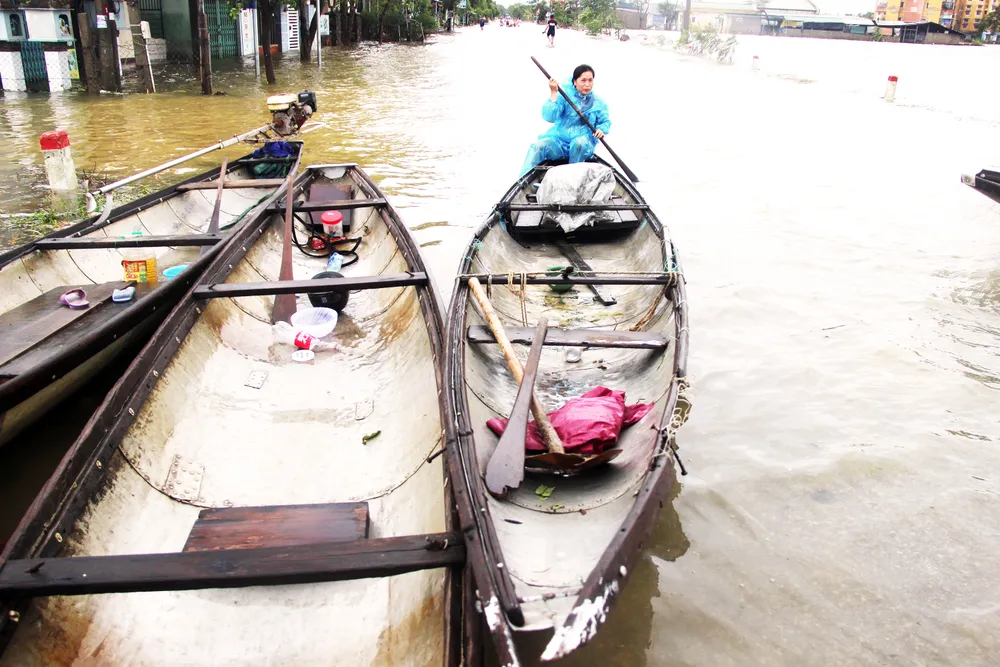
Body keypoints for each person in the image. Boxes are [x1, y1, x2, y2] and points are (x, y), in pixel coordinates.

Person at [520, 64, 610, 175]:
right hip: (560, 141)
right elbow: (549, 116)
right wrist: (553, 92)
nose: (587, 84)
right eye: (583, 80)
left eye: (590, 80)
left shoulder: (598, 102)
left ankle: (571, 178)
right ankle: (523, 180)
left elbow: (604, 122)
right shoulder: (564, 96)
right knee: (538, 146)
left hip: (583, 144)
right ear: (575, 81)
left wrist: (601, 130)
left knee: (579, 144)